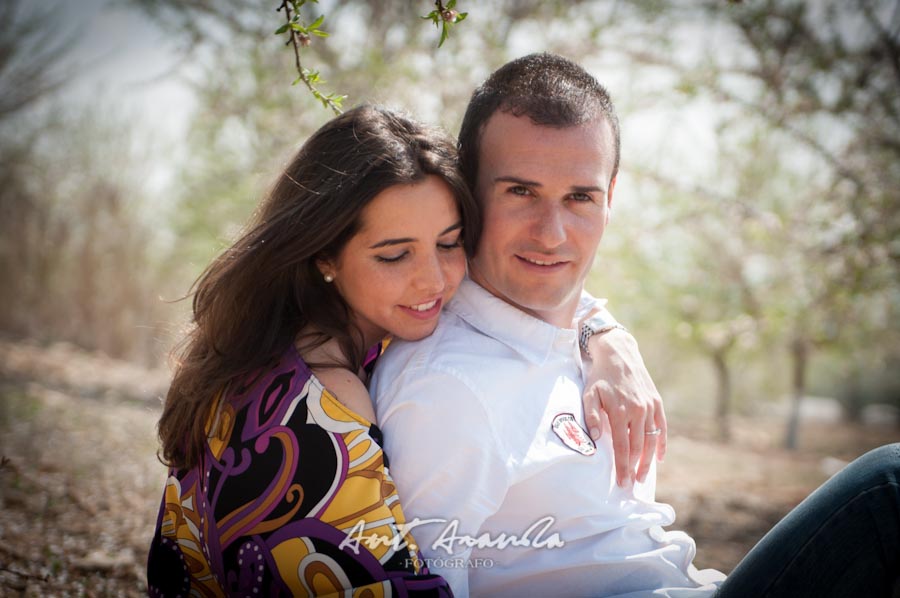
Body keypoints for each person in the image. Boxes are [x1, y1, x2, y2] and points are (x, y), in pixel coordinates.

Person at [370, 53, 900, 597]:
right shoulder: (449, 387)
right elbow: (429, 585)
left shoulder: (567, 332)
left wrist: (603, 333)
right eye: (520, 192)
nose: (551, 235)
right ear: (468, 191)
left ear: (610, 200)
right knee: (889, 487)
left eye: (580, 197)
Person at [147, 103, 665, 596]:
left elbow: (552, 301)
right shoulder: (316, 413)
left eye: (449, 244)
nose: (434, 282)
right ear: (324, 253)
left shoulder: (312, 332)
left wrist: (606, 337)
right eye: (394, 255)